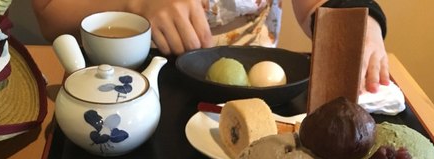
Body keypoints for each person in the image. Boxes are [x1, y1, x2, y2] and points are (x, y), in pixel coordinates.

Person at [31, 0, 389, 93]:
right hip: (121, 89)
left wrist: (362, 27)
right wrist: (136, 4)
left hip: (252, 92)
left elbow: (322, 5)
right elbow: (51, 15)